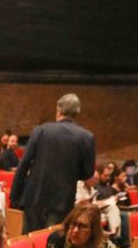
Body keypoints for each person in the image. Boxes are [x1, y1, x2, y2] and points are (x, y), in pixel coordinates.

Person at [11, 93, 95, 232]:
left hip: (35, 196)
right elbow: (88, 172)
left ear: (59, 110)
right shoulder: (86, 137)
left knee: (30, 242)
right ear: (76, 112)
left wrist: (15, 196)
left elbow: (24, 164)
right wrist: (71, 173)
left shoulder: (41, 130)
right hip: (63, 199)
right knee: (53, 243)